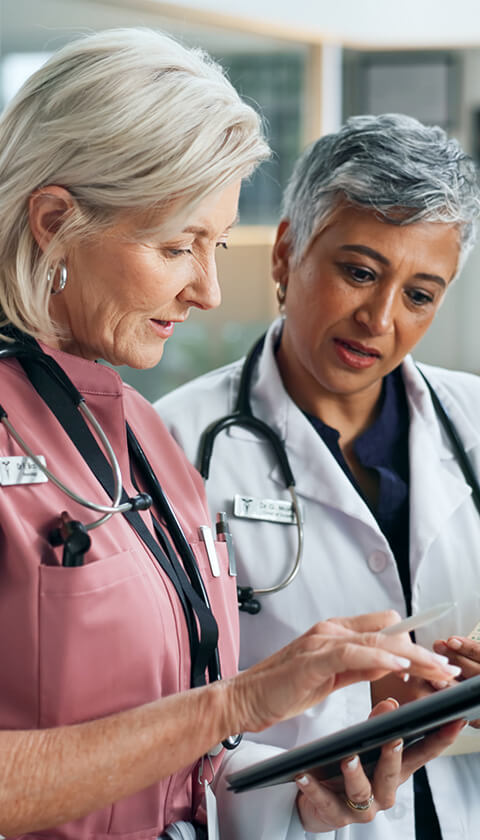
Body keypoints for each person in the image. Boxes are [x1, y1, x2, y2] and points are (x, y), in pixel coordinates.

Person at [0, 34, 462, 840]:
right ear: (53, 221)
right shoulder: (177, 430)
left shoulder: (138, 434)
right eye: (178, 246)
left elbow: (182, 757)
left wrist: (303, 790)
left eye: (213, 246)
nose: (210, 290)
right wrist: (244, 700)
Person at [156, 113, 480, 840]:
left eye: (420, 294)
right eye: (359, 271)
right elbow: (156, 730)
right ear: (286, 251)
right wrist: (325, 745)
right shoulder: (175, 445)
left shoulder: (475, 422)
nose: (380, 318)